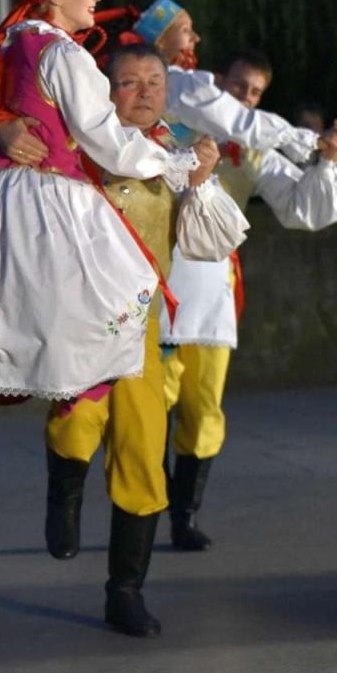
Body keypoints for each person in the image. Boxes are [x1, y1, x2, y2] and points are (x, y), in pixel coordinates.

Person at [0, 0, 207, 402]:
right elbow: (107, 141)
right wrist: (172, 160)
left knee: (10, 297)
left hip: (2, 192)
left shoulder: (16, 42)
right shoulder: (64, 54)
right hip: (50, 192)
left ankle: (17, 375)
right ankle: (68, 379)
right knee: (113, 287)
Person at [42, 43, 245, 635]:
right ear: (104, 92)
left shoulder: (177, 153)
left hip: (143, 327)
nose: (146, 91)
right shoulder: (72, 148)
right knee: (77, 422)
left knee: (142, 453)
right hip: (79, 323)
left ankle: (124, 591)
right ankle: (65, 490)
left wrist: (203, 179)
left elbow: (213, 237)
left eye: (154, 80)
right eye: (129, 82)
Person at [158, 49, 337, 552]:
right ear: (217, 82)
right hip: (153, 283)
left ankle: (184, 515)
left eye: (254, 94)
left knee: (203, 409)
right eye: (238, 87)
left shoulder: (254, 149)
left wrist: (326, 160)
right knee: (149, 405)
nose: (244, 99)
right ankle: (144, 506)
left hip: (209, 290)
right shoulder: (172, 114)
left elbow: (298, 206)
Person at [132, 0, 319, 167]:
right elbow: (236, 121)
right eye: (186, 30)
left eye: (256, 92)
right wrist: (302, 138)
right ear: (160, 41)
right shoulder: (176, 82)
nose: (196, 38)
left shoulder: (162, 80)